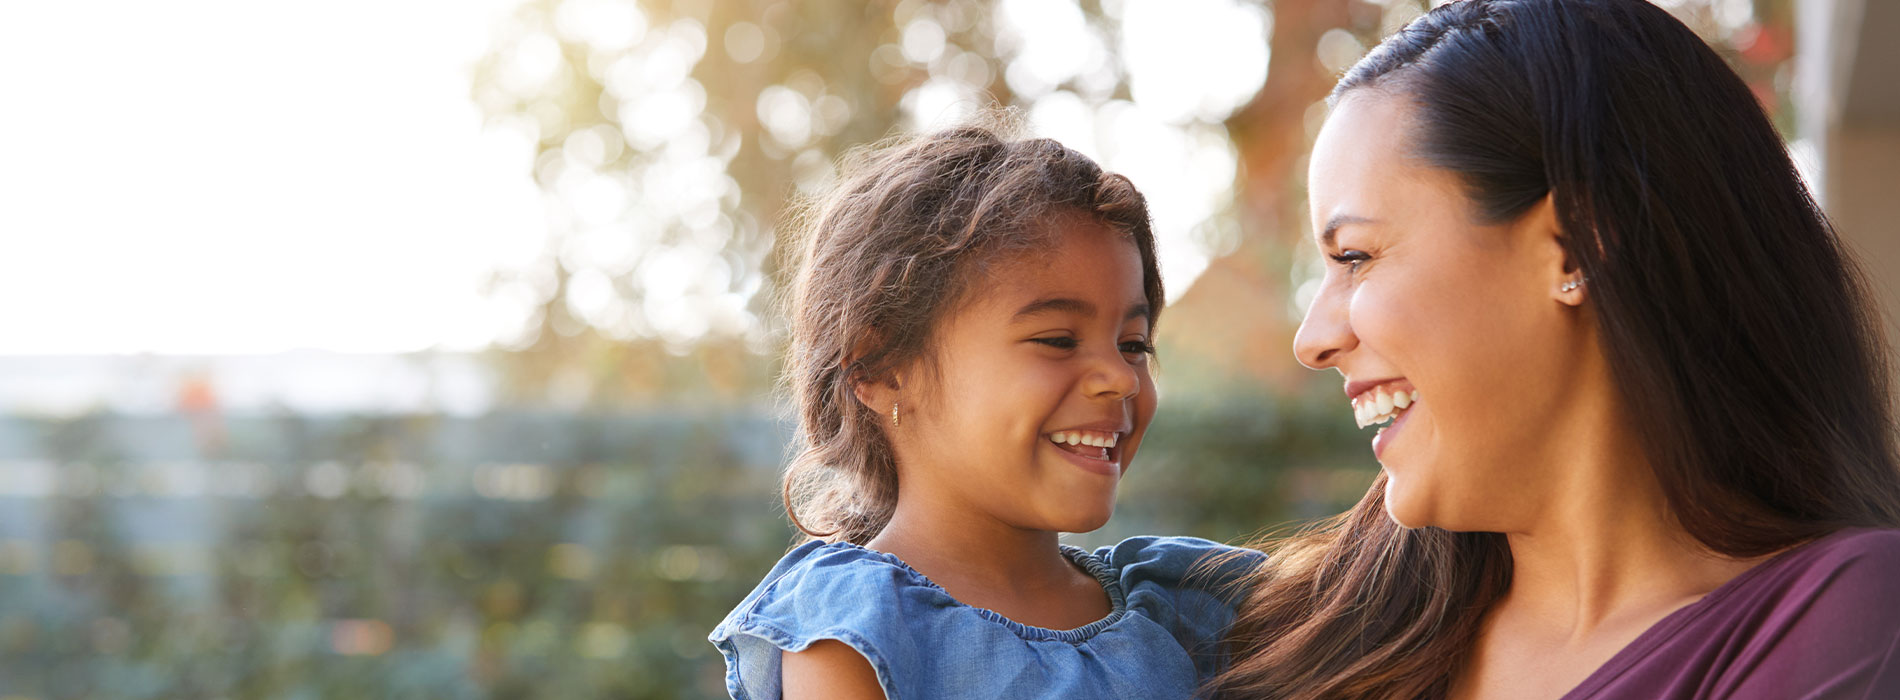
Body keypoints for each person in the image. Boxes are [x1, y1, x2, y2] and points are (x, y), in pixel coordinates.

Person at [1208, 0, 1900, 698]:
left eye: (1355, 256)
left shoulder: (1844, 619)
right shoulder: (1259, 625)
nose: (1312, 340)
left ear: (1574, 246)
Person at [708, 122, 1260, 699]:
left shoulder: (1194, 606)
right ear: (881, 369)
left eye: (1134, 344)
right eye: (1058, 340)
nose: (1122, 378)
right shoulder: (856, 632)